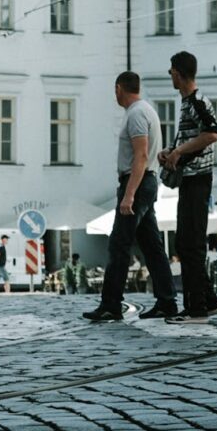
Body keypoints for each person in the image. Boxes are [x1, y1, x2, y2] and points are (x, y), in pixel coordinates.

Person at [84, 72, 177, 321]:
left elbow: (141, 156)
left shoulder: (136, 114)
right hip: (146, 181)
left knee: (119, 243)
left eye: (114, 90)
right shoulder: (146, 110)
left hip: (137, 181)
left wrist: (129, 195)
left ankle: (111, 304)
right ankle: (167, 301)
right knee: (152, 246)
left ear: (119, 88)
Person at [159, 51, 217, 324]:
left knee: (191, 242)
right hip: (190, 178)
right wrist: (171, 152)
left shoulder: (197, 101)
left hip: (198, 178)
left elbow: (211, 134)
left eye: (172, 70)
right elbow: (192, 137)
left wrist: (180, 151)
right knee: (186, 241)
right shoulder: (187, 103)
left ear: (180, 73)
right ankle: (208, 300)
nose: (169, 75)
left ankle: (196, 307)